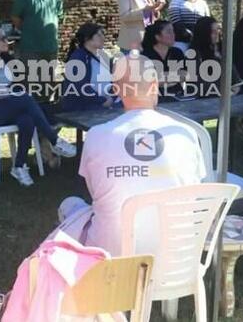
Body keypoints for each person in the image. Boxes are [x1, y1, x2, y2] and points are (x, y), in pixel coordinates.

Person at [55, 54, 206, 255]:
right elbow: (196, 188)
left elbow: (96, 193)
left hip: (110, 262)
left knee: (71, 205)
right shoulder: (186, 134)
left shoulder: (96, 136)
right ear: (154, 86)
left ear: (116, 89)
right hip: (176, 258)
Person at [0, 25, 76, 187]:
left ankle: (19, 166)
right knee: (25, 100)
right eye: (2, 38)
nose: (7, 41)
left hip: (6, 107)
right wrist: (2, 93)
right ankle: (54, 140)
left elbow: (20, 83)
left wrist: (12, 91)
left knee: (27, 119)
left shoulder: (7, 59)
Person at [10, 0, 62, 99]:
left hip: (50, 47)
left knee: (48, 83)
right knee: (30, 83)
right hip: (31, 47)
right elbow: (15, 17)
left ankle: (48, 112)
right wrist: (29, 29)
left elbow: (59, 16)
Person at [60, 23, 116, 112]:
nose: (103, 38)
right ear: (86, 38)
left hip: (105, 103)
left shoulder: (103, 57)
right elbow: (80, 87)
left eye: (103, 35)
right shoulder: (78, 58)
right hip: (84, 107)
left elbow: (113, 81)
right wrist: (102, 100)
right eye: (98, 35)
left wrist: (112, 97)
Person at [189, 16, 242, 98]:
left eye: (218, 29)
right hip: (205, 99)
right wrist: (222, 92)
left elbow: (233, 75)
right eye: (213, 31)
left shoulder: (222, 50)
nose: (217, 33)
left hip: (227, 96)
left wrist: (236, 86)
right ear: (204, 33)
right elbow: (197, 82)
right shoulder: (193, 54)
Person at [140, 20, 186, 100]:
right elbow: (147, 80)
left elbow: (185, 75)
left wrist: (160, 76)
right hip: (152, 98)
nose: (173, 35)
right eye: (169, 32)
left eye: (173, 31)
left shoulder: (177, 52)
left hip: (177, 96)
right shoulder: (145, 56)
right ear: (157, 36)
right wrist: (175, 75)